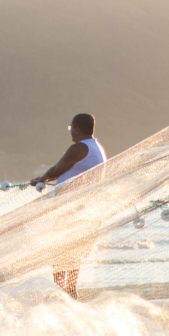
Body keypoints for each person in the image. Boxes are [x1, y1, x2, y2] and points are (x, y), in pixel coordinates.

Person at [30, 113, 108, 298]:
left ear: (77, 129)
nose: (70, 132)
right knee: (72, 254)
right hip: (85, 211)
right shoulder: (97, 148)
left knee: (59, 253)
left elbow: (57, 169)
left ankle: (62, 292)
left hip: (73, 211)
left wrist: (42, 178)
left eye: (71, 128)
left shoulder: (79, 148)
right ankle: (70, 292)